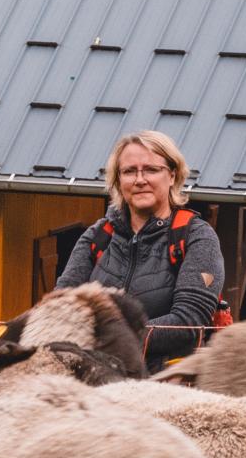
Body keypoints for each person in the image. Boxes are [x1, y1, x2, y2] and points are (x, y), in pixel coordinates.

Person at [56, 130, 227, 365]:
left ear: (172, 175)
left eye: (151, 169)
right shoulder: (98, 236)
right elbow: (60, 307)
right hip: (94, 379)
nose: (139, 180)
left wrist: (106, 340)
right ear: (118, 181)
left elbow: (189, 320)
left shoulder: (196, 237)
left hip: (164, 384)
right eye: (128, 171)